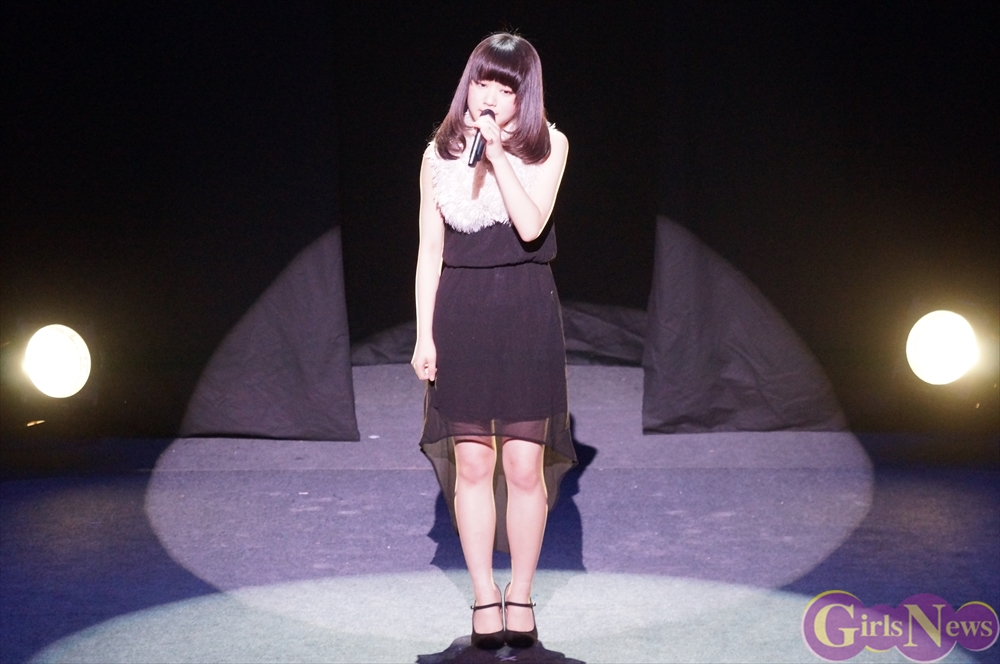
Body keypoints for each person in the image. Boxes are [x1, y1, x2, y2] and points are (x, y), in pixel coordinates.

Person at [410, 32, 577, 650]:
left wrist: (499, 156)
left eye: (504, 88)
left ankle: (521, 593)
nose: (489, 97)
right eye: (482, 82)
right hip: (461, 312)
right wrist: (424, 334)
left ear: (523, 94)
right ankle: (483, 593)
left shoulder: (550, 145)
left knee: (523, 465)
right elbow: (430, 251)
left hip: (526, 312)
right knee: (474, 463)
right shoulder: (438, 154)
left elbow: (531, 227)